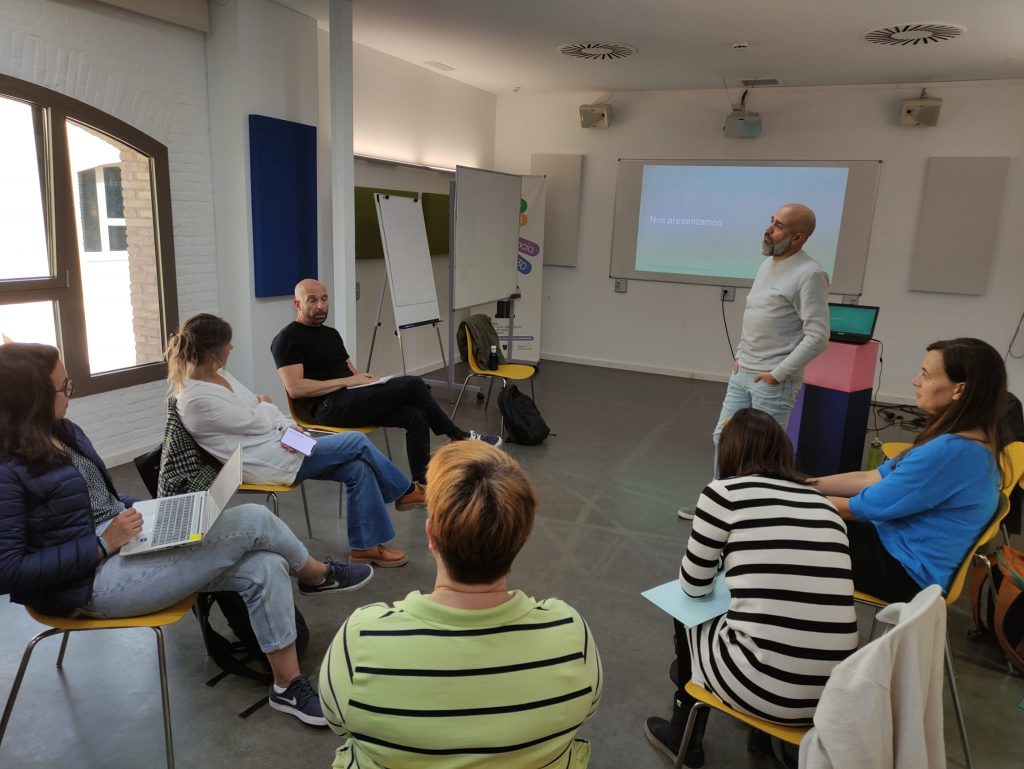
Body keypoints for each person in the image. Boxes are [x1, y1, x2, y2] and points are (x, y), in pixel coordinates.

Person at [0, 343, 364, 727]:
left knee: (267, 564)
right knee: (255, 519)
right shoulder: (8, 468)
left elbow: (101, 497)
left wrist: (142, 513)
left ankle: (286, 685)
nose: (70, 394)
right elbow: (9, 571)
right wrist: (101, 543)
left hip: (123, 543)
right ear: (33, 397)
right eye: (64, 387)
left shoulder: (65, 433)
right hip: (87, 583)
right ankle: (316, 575)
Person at [319, 441, 603, 769]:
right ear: (521, 536)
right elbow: (586, 712)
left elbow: (338, 722)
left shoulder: (362, 639)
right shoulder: (569, 634)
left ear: (430, 534)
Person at [647, 408, 857, 766]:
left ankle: (686, 732)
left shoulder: (723, 493)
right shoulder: (824, 504)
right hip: (832, 697)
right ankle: (764, 740)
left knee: (683, 608)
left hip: (761, 689)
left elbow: (694, 586)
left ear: (729, 453)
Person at [168, 313, 421, 568]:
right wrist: (266, 410)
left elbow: (264, 409)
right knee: (355, 442)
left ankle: (365, 548)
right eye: (228, 344)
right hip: (264, 460)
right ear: (213, 351)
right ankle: (407, 492)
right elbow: (258, 416)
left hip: (282, 441)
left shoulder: (219, 374)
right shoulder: (196, 399)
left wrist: (288, 424)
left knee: (358, 467)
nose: (231, 348)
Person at [809, 337, 1007, 603]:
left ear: (959, 389)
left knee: (777, 529)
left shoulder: (953, 451)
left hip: (906, 573)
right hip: (896, 546)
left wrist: (784, 498)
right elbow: (871, 477)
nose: (916, 381)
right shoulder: (966, 440)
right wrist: (805, 483)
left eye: (926, 375)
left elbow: (857, 508)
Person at [271, 278, 501, 486]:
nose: (321, 306)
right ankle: (459, 437)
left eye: (324, 299)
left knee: (416, 415)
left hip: (349, 398)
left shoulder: (331, 334)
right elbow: (296, 388)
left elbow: (350, 371)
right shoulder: (287, 339)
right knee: (413, 384)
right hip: (325, 408)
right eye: (312, 300)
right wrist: (347, 381)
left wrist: (367, 380)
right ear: (297, 304)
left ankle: (422, 483)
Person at [679, 203, 829, 519]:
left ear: (799, 237)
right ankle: (717, 506)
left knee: (760, 453)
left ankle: (751, 515)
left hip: (772, 381)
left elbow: (817, 336)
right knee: (723, 437)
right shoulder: (768, 265)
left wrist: (777, 373)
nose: (768, 228)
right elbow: (758, 316)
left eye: (779, 225)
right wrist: (739, 354)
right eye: (771, 221)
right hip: (743, 372)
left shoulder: (810, 274)